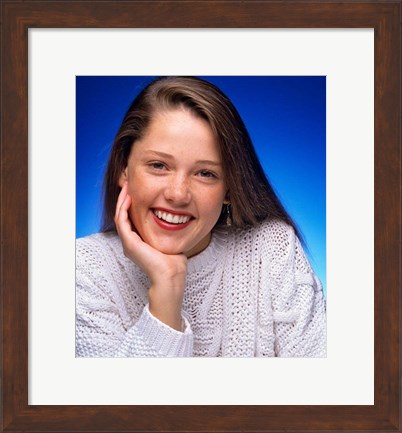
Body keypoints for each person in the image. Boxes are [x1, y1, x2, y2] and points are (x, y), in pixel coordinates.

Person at [76, 76, 326, 357]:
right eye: (159, 165)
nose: (178, 194)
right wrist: (167, 288)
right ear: (124, 168)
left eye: (205, 173)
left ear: (230, 188)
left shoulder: (272, 250)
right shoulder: (84, 268)